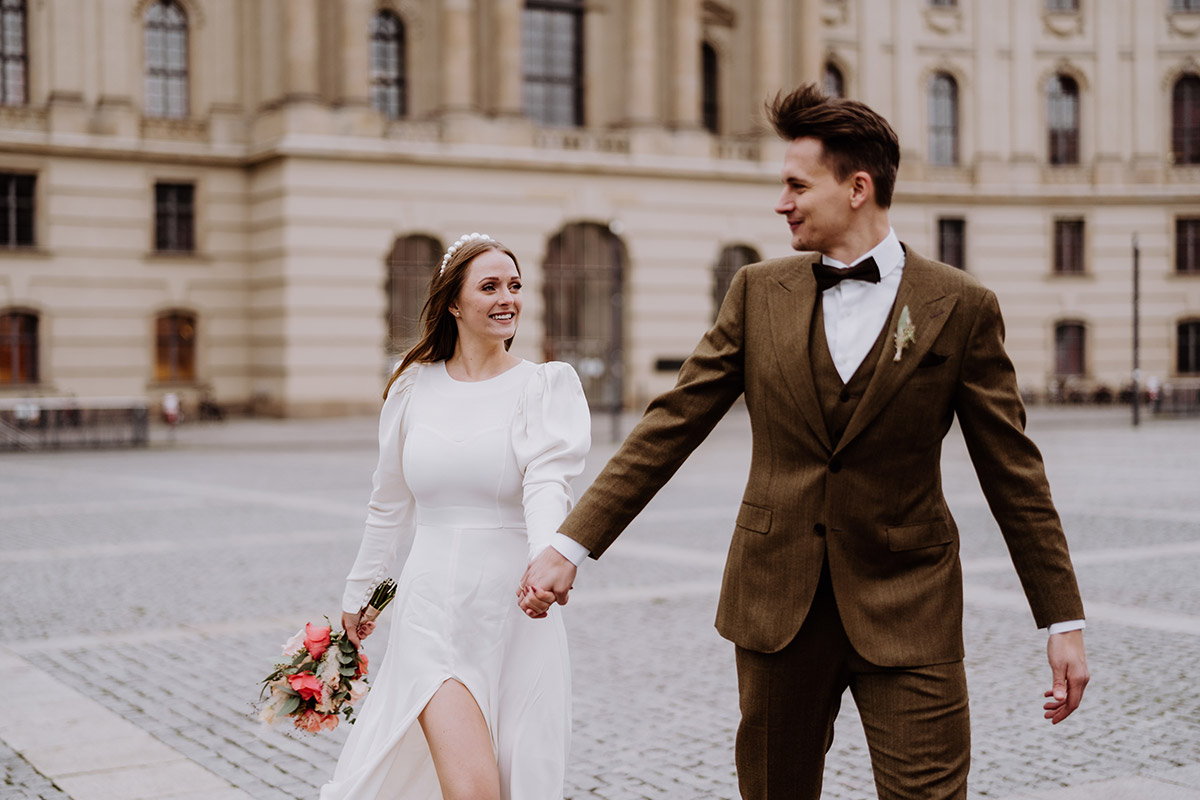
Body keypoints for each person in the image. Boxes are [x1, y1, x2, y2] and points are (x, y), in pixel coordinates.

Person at [520, 84, 1090, 800]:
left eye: (796, 184)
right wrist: (570, 544)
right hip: (774, 606)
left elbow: (1015, 475)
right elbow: (673, 423)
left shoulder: (961, 306)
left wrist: (1061, 619)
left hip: (910, 608)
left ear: (857, 188)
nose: (781, 202)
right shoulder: (758, 292)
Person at [321, 233, 590, 800]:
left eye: (514, 286)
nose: (507, 299)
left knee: (520, 782)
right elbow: (387, 502)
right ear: (452, 302)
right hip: (431, 611)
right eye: (489, 286)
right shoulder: (412, 386)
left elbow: (548, 482)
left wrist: (547, 558)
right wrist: (358, 593)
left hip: (516, 613)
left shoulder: (542, 386)